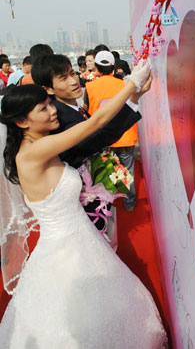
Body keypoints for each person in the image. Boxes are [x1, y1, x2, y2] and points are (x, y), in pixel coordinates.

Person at [0, 63, 167, 348]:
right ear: (21, 122)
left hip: (82, 238)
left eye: (48, 104)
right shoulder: (33, 152)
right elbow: (94, 124)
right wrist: (129, 83)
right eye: (42, 109)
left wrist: (134, 97)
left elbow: (94, 137)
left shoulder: (43, 142)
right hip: (65, 249)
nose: (52, 111)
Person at [31, 53, 146, 230]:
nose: (73, 80)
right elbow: (99, 135)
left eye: (72, 73)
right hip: (83, 199)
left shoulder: (70, 107)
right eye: (63, 78)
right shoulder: (59, 117)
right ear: (48, 89)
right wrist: (133, 94)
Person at [85, 51, 139, 211]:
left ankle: (106, 203)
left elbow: (87, 111)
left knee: (103, 170)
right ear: (114, 67)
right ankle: (129, 204)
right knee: (127, 170)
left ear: (97, 68)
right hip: (125, 135)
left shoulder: (89, 87)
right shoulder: (124, 85)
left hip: (102, 137)